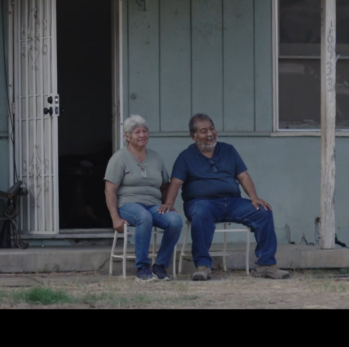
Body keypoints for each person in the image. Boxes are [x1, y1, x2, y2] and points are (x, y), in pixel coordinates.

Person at [164, 113, 289, 281]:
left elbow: (243, 176)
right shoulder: (185, 157)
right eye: (203, 131)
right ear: (193, 136)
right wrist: (169, 203)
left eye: (212, 128)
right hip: (201, 202)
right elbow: (176, 182)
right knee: (201, 212)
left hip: (232, 202)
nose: (210, 134)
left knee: (263, 212)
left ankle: (265, 265)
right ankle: (203, 266)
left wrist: (254, 197)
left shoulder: (228, 150)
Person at [104, 115, 183, 282]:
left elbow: (165, 185)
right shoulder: (119, 158)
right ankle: (142, 268)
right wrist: (115, 218)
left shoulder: (156, 157)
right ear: (127, 136)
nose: (142, 135)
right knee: (143, 217)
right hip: (128, 205)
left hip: (153, 205)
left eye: (145, 131)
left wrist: (168, 204)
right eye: (137, 132)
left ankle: (160, 266)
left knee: (175, 221)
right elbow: (109, 190)